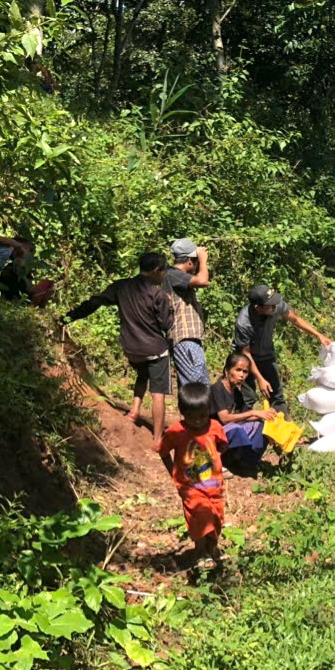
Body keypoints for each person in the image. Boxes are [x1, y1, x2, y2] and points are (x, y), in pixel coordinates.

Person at [61, 252, 173, 447]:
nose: (165, 274)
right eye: (164, 270)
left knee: (141, 373)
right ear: (156, 271)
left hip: (131, 348)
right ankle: (158, 438)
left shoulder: (122, 287)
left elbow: (95, 302)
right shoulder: (158, 294)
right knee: (158, 393)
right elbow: (166, 324)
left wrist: (68, 317)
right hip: (155, 349)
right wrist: (169, 306)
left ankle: (134, 412)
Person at [157, 382, 228, 571]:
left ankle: (211, 549)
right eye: (192, 417)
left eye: (202, 416)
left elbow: (222, 444)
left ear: (209, 411)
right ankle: (201, 553)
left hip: (214, 486)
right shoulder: (176, 432)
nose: (197, 421)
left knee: (216, 518)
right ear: (182, 412)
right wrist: (173, 471)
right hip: (190, 487)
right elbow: (163, 451)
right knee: (200, 516)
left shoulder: (214, 427)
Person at [233, 283, 332, 414]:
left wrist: (318, 335)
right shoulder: (244, 322)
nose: (275, 306)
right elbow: (246, 353)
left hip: (267, 355)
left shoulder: (275, 306)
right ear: (258, 307)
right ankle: (243, 428)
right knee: (248, 398)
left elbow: (295, 319)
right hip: (246, 360)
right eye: (270, 305)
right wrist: (261, 379)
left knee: (277, 396)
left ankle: (283, 429)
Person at [209, 352, 275, 476]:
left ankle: (248, 461)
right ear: (227, 371)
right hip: (214, 435)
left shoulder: (237, 393)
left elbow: (246, 416)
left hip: (229, 433)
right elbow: (224, 418)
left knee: (260, 426)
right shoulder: (217, 389)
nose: (242, 375)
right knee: (236, 430)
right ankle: (227, 461)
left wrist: (266, 415)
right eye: (238, 370)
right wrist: (254, 412)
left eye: (245, 372)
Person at [164, 238, 211, 387]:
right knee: (195, 387)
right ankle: (194, 411)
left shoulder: (177, 276)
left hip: (189, 339)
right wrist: (203, 259)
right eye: (196, 261)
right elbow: (203, 281)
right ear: (190, 261)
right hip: (184, 338)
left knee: (198, 385)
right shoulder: (172, 274)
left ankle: (195, 410)